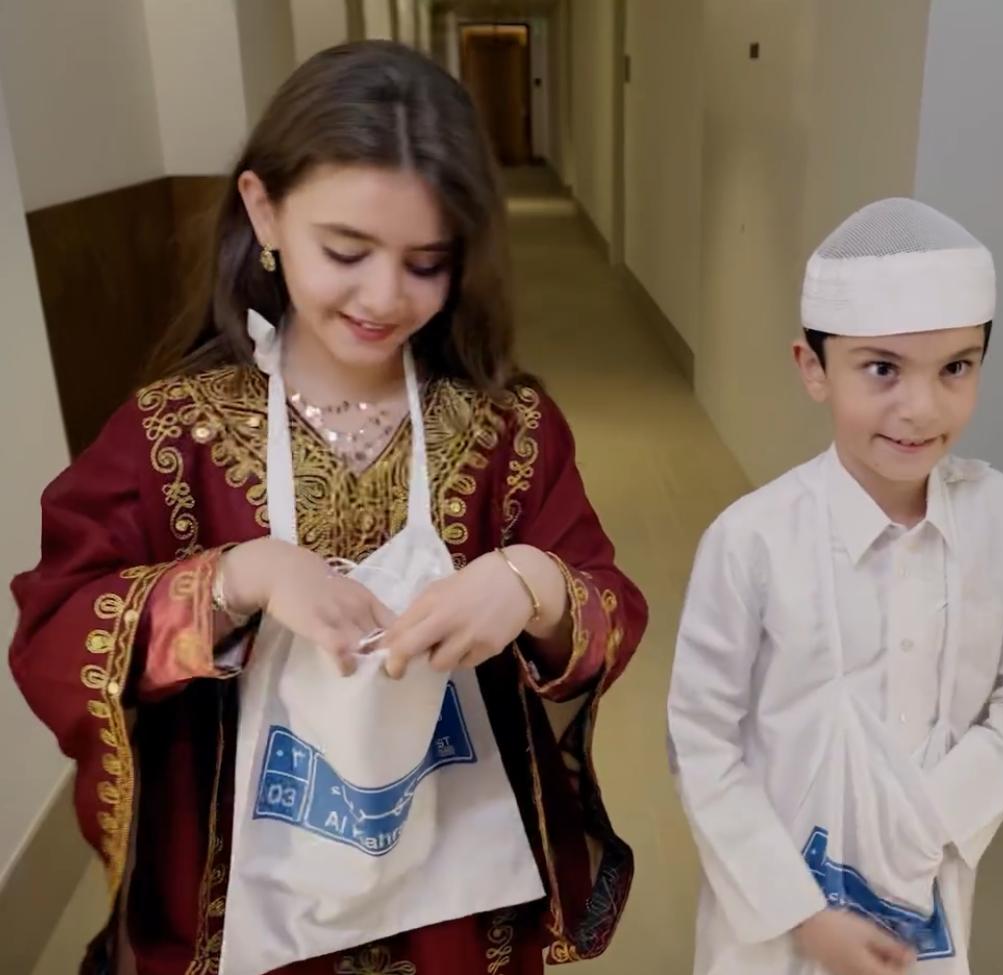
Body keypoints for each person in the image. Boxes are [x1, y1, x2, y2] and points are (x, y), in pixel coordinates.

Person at [10, 41, 646, 975]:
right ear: (263, 211)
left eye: (427, 262)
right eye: (345, 251)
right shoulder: (172, 435)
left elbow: (609, 603)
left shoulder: (507, 429)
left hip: (455, 892)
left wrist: (532, 584)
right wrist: (232, 578)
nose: (384, 296)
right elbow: (57, 625)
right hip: (240, 889)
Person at [667, 198, 1003, 975]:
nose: (920, 408)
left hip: (925, 888)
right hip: (774, 906)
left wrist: (927, 820)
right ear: (813, 368)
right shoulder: (752, 540)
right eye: (882, 368)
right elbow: (703, 742)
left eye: (955, 367)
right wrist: (801, 909)